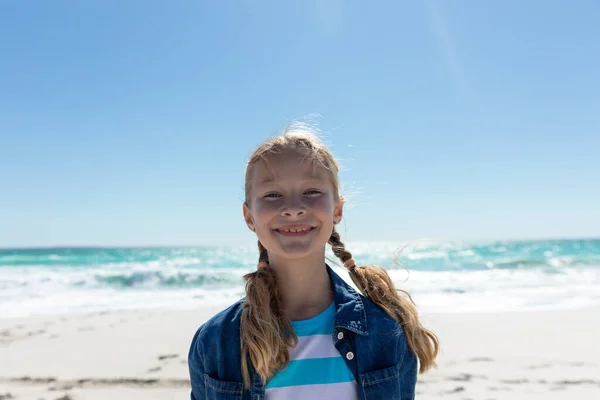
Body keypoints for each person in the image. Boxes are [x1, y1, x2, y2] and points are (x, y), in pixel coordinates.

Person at [188, 123, 439, 400]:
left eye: (312, 192)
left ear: (338, 210)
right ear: (249, 217)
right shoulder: (216, 341)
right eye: (273, 195)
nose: (294, 208)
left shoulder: (385, 331)